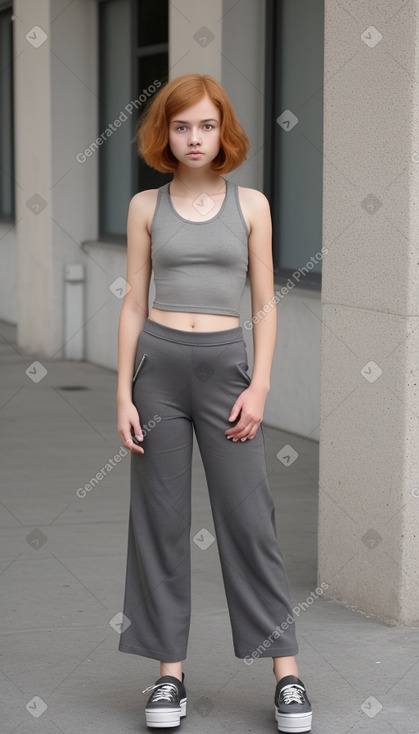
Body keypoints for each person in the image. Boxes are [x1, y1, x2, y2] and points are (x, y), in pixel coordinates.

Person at [116, 73, 312, 733]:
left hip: (227, 372)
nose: (193, 138)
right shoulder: (146, 206)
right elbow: (132, 303)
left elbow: (263, 303)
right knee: (160, 522)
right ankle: (167, 675)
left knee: (249, 521)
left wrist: (258, 385)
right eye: (181, 126)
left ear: (221, 129)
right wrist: (123, 394)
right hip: (159, 371)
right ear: (163, 134)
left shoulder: (250, 205)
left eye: (204, 125)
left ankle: (285, 674)